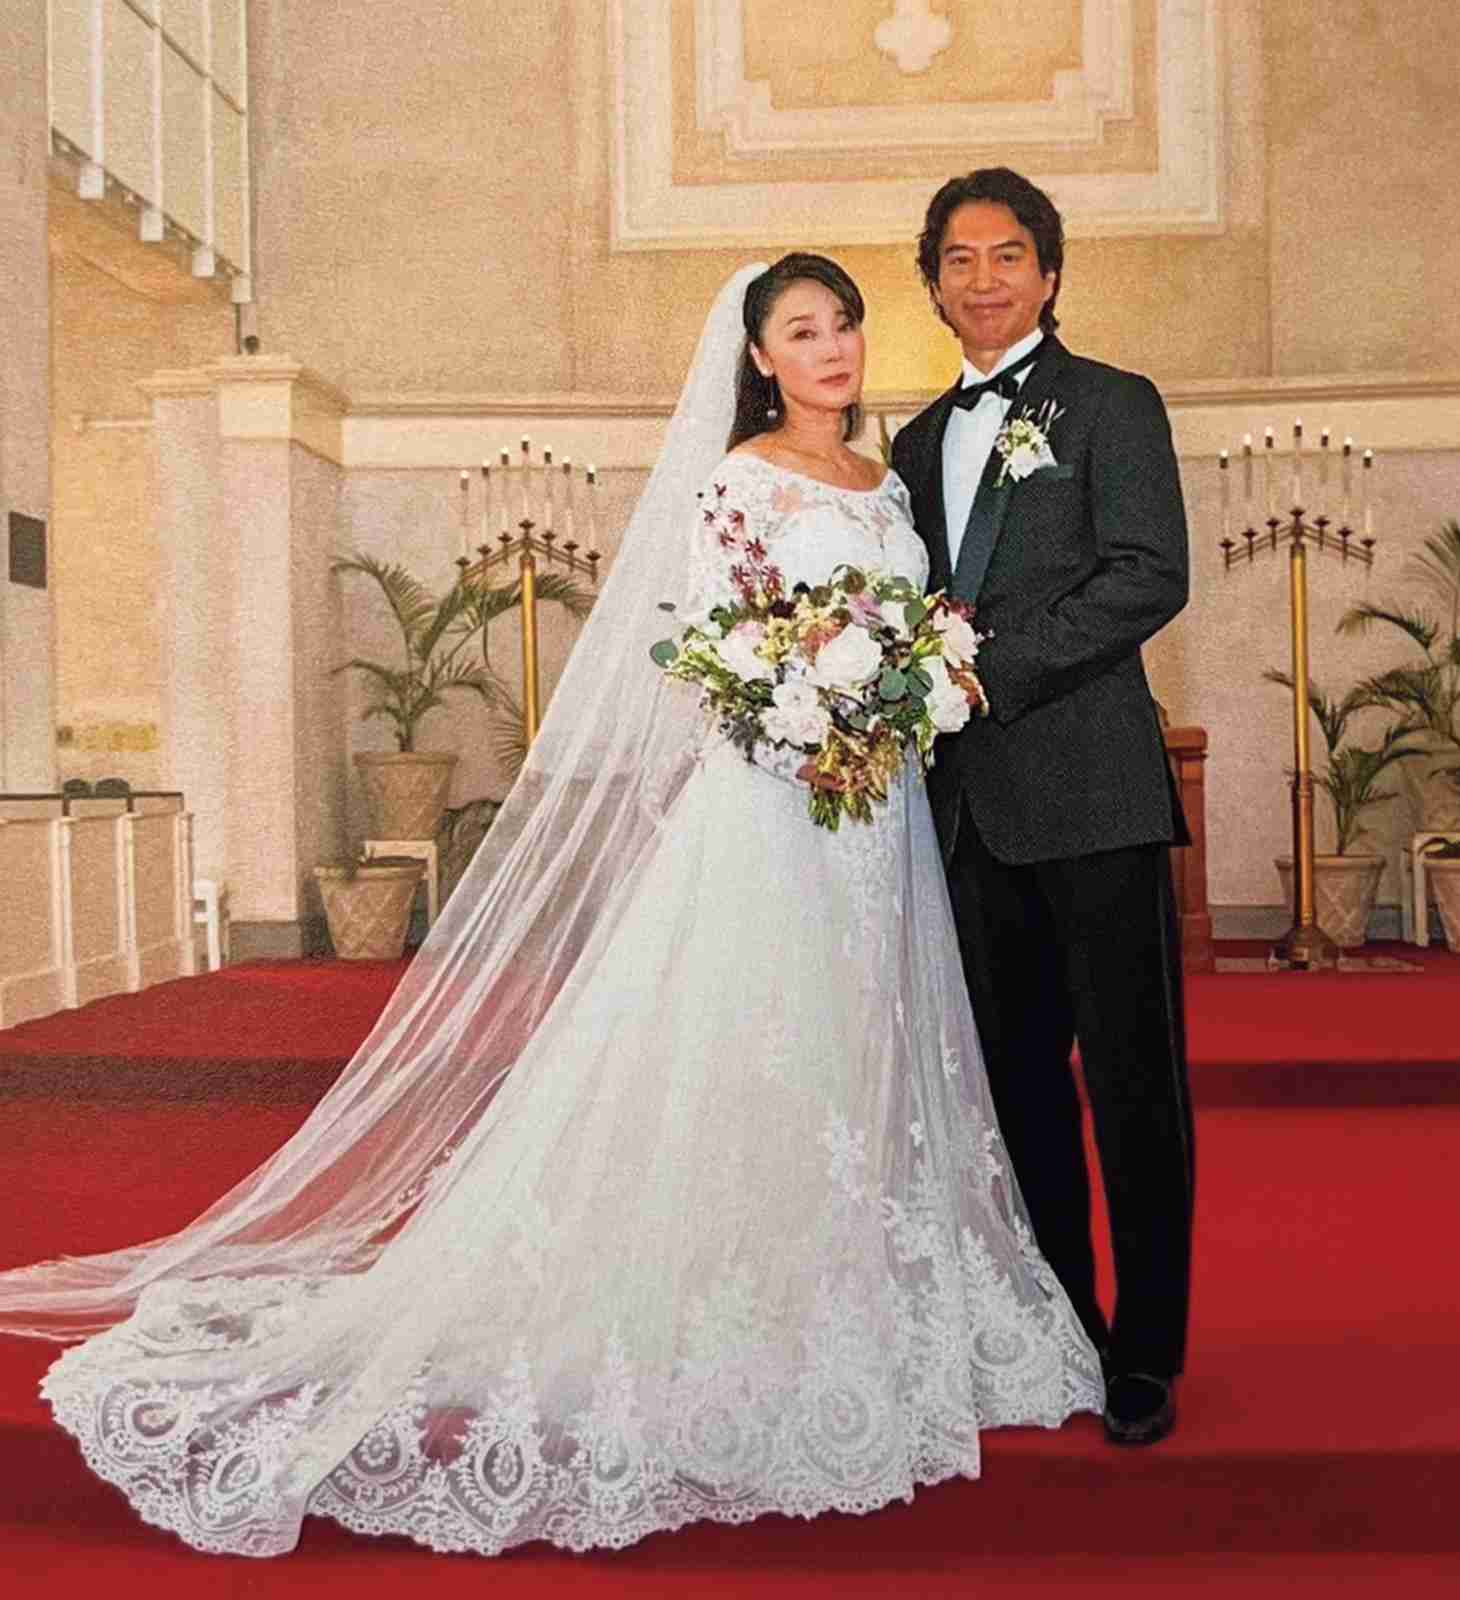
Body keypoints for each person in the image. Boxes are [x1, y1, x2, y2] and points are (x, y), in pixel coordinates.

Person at [0, 256, 1101, 1558]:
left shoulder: (888, 482)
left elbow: (908, 627)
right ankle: (743, 1298)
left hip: (883, 816)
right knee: (765, 1037)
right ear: (759, 358)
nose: (832, 347)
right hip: (776, 808)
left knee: (874, 1039)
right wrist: (801, 711)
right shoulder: (740, 482)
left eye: (844, 324)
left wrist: (898, 689)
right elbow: (719, 649)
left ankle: (872, 1282)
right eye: (802, 330)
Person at [890, 170, 1195, 1447]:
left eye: (1007, 255)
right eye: (958, 260)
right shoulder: (911, 443)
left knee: (1132, 1084)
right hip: (967, 817)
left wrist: (987, 671)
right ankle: (1065, 1323)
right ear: (933, 284)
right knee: (1014, 1088)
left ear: (1050, 273)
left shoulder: (1113, 403)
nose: (984, 279)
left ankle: (1148, 1353)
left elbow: (1148, 575)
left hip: (1095, 795)